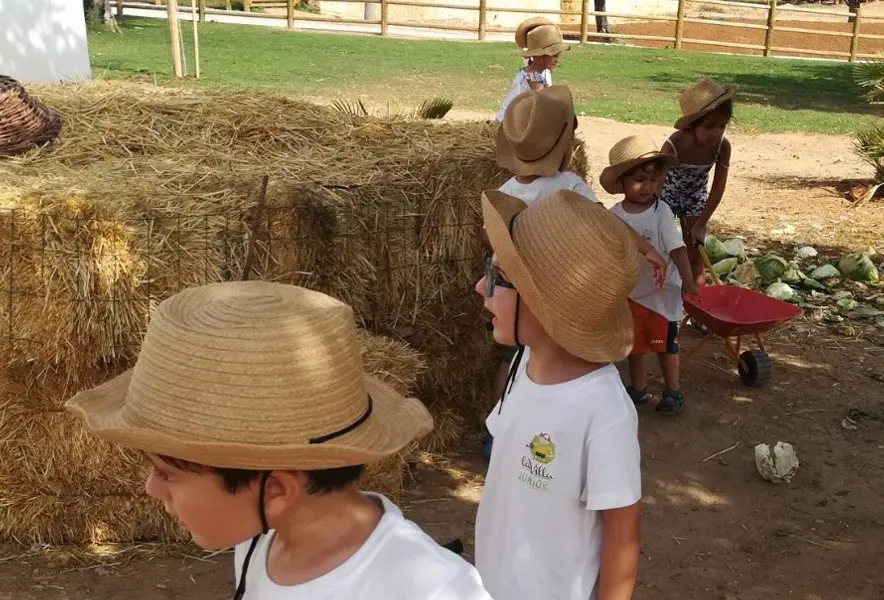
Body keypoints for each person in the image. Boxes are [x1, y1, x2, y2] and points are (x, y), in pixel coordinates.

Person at [65, 281, 494, 600]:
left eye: (167, 473)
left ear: (275, 489)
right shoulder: (261, 541)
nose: (151, 488)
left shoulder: (431, 589)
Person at [481, 86, 668, 457]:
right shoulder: (568, 187)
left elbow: (491, 239)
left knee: (510, 359)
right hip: (550, 288)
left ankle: (496, 431)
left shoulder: (504, 188)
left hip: (507, 286)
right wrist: (646, 249)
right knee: (549, 355)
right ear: (566, 145)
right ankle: (547, 430)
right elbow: (606, 227)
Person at [475, 188, 642, 600]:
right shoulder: (520, 364)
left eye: (499, 277)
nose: (481, 286)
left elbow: (622, 534)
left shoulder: (604, 412)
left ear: (544, 304)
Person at [601, 135, 700, 416]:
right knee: (634, 345)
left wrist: (688, 282)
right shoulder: (613, 215)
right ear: (621, 181)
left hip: (661, 293)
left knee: (665, 344)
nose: (649, 187)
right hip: (632, 293)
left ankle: (673, 390)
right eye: (640, 180)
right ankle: (639, 388)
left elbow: (678, 249)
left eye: (655, 180)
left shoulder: (662, 212)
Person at [659, 77, 735, 287]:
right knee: (664, 245)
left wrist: (701, 223)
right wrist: (655, 213)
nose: (716, 133)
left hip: (695, 196)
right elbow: (656, 178)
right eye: (710, 126)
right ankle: (666, 288)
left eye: (722, 126)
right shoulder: (675, 143)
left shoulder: (722, 147)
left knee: (695, 248)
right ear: (692, 125)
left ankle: (697, 298)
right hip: (666, 194)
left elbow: (718, 186)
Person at [495, 17, 569, 122]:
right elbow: (543, 102)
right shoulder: (533, 75)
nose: (557, 60)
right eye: (554, 56)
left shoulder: (544, 72)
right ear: (539, 56)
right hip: (508, 125)